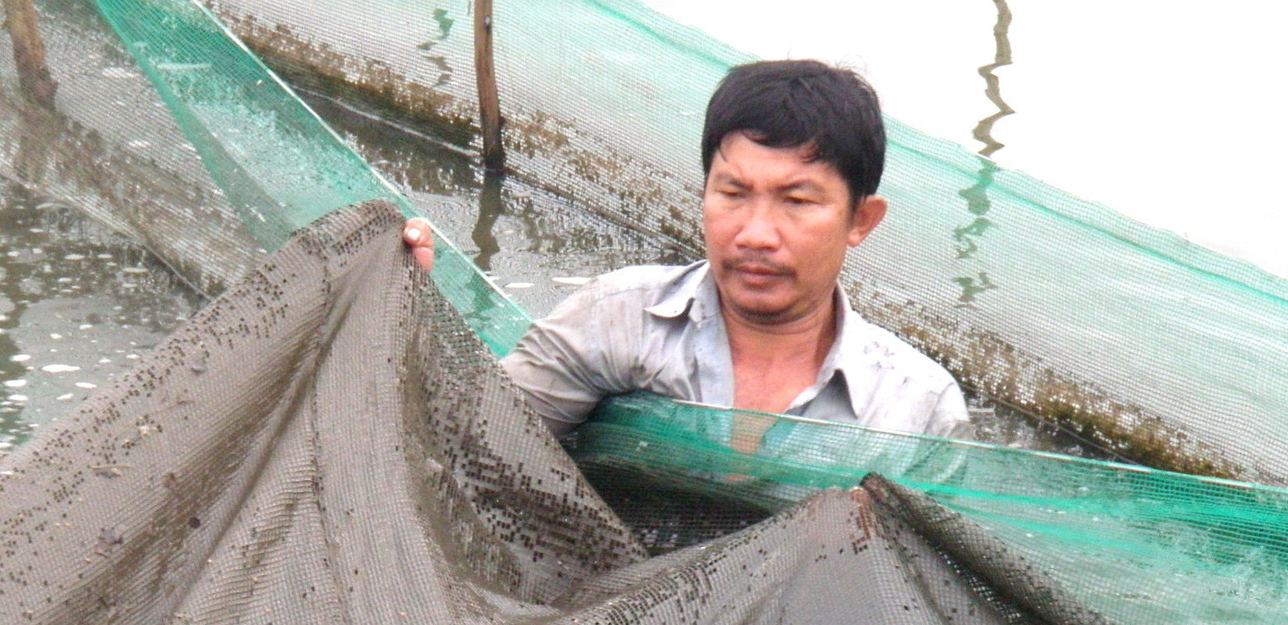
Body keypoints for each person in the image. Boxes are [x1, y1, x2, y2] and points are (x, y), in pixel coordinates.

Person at [403, 59, 968, 442]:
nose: (755, 234)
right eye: (733, 193)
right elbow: (466, 439)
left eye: (796, 201)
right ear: (704, 192)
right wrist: (406, 313)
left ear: (860, 220)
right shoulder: (617, 319)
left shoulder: (918, 413)